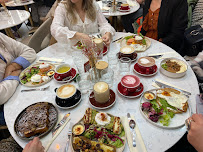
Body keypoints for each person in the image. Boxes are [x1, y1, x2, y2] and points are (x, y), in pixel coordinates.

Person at [0, 33, 36, 125]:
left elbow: (29, 51)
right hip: (2, 107)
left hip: (16, 87)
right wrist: (15, 75)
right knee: (37, 115)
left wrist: (12, 66)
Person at [51, 0, 115, 46]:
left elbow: (104, 24)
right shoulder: (62, 8)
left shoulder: (93, 4)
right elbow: (55, 28)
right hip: (73, 52)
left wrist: (107, 33)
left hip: (94, 49)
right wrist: (77, 35)